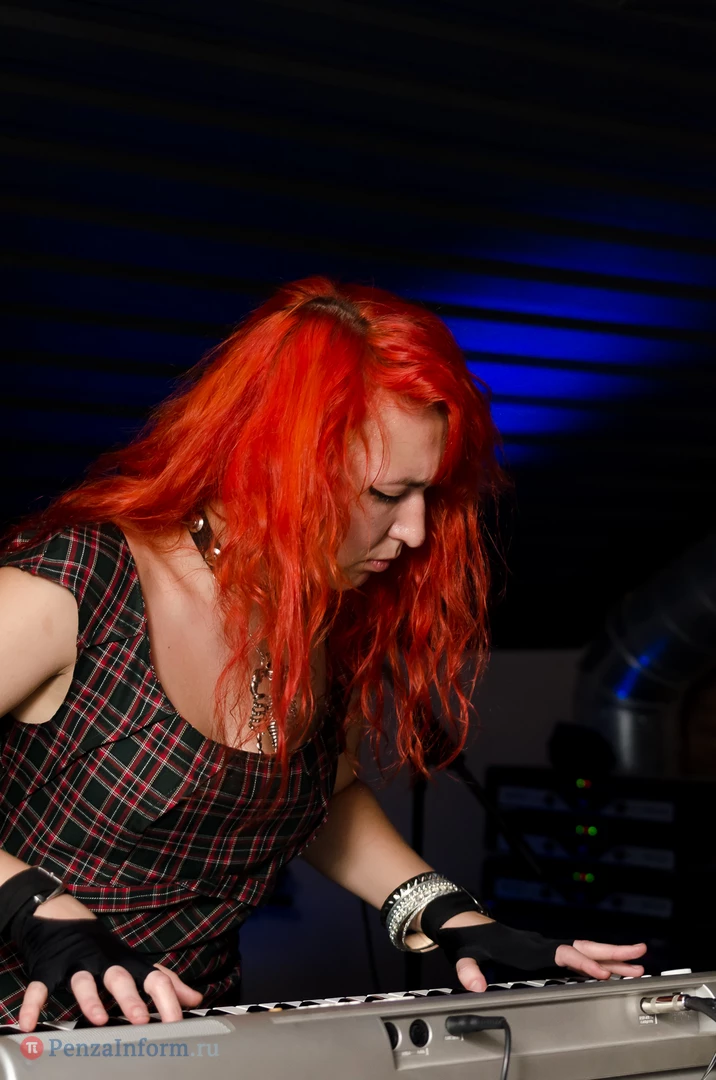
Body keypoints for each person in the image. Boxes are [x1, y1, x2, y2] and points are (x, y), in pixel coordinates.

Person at [0, 276, 646, 1032]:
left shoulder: (317, 614)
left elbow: (316, 796)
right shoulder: (77, 586)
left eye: (428, 495)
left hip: (188, 1043)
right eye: (386, 494)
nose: (415, 532)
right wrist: (34, 908)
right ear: (280, 465)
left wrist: (446, 913)